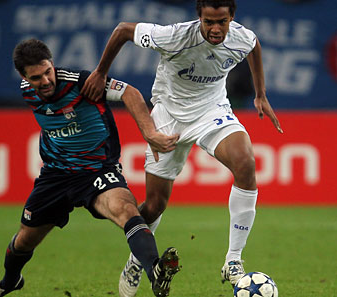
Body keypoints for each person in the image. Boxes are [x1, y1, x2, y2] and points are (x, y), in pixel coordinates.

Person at [80, 0, 283, 296]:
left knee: (246, 163)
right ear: (198, 17)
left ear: (232, 19)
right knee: (154, 205)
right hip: (168, 116)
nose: (215, 29)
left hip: (211, 112)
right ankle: (138, 258)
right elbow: (123, 30)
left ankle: (233, 260)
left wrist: (260, 93)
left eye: (222, 22)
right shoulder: (173, 36)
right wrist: (100, 72)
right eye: (209, 22)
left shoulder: (241, 36)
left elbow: (253, 46)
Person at [0, 39, 180, 297]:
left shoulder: (81, 83)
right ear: (23, 76)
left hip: (97, 170)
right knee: (25, 239)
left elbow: (130, 93)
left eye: (48, 71)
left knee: (126, 210)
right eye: (37, 77)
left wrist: (149, 133)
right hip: (56, 174)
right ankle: (9, 282)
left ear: (53, 64)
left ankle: (154, 271)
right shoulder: (26, 90)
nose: (46, 81)